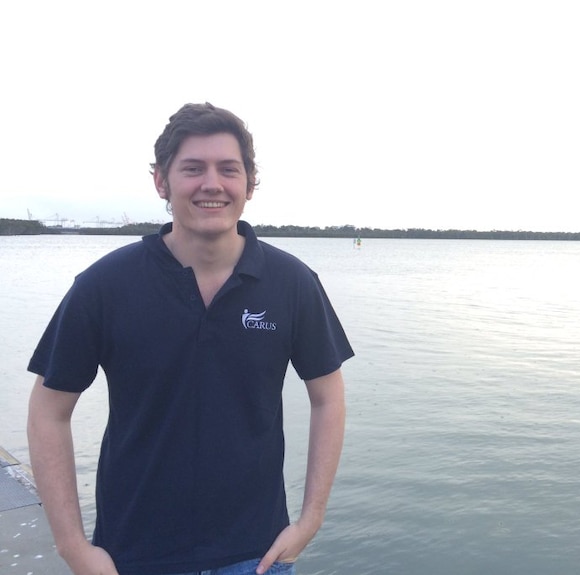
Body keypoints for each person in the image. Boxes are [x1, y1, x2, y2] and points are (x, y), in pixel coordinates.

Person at [27, 103, 353, 575]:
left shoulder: (292, 283)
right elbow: (48, 409)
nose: (212, 184)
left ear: (250, 184)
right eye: (193, 169)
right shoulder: (105, 286)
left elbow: (328, 397)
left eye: (228, 169)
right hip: (131, 557)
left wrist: (311, 519)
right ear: (161, 181)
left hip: (257, 556)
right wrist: (73, 547)